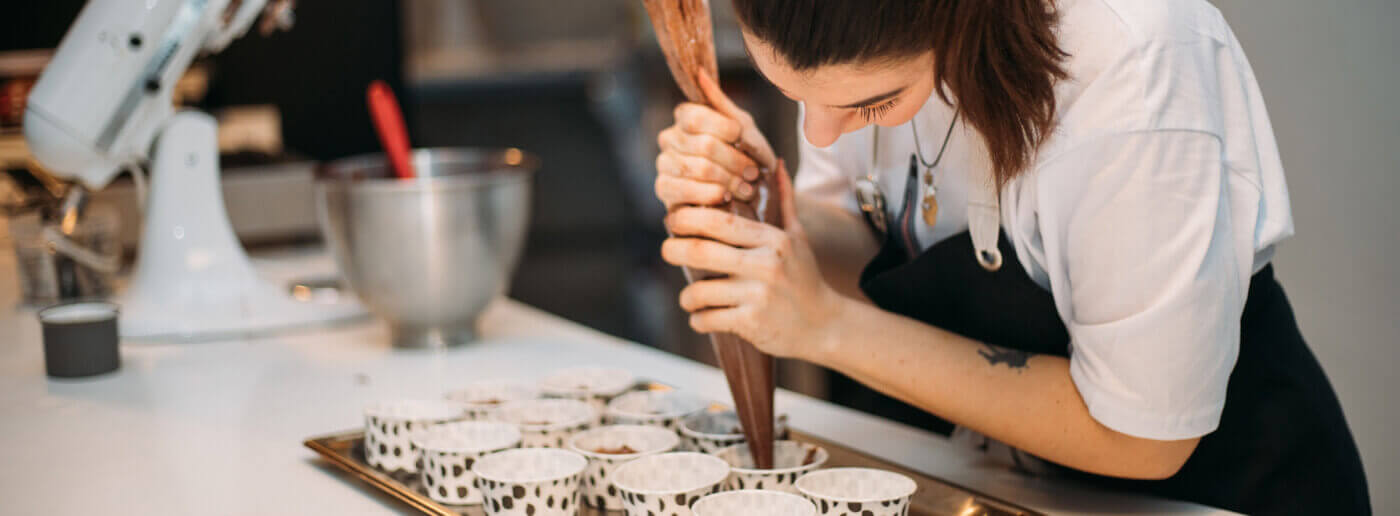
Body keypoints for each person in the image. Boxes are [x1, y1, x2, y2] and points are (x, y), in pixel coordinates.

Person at [651, 0, 1370, 513]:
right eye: (791, 95)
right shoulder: (849, 45)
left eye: (871, 104)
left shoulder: (1136, 64)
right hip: (1006, 478)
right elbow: (872, 244)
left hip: (1214, 488)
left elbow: (1147, 437)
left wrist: (826, 329)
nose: (824, 133)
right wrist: (762, 208)